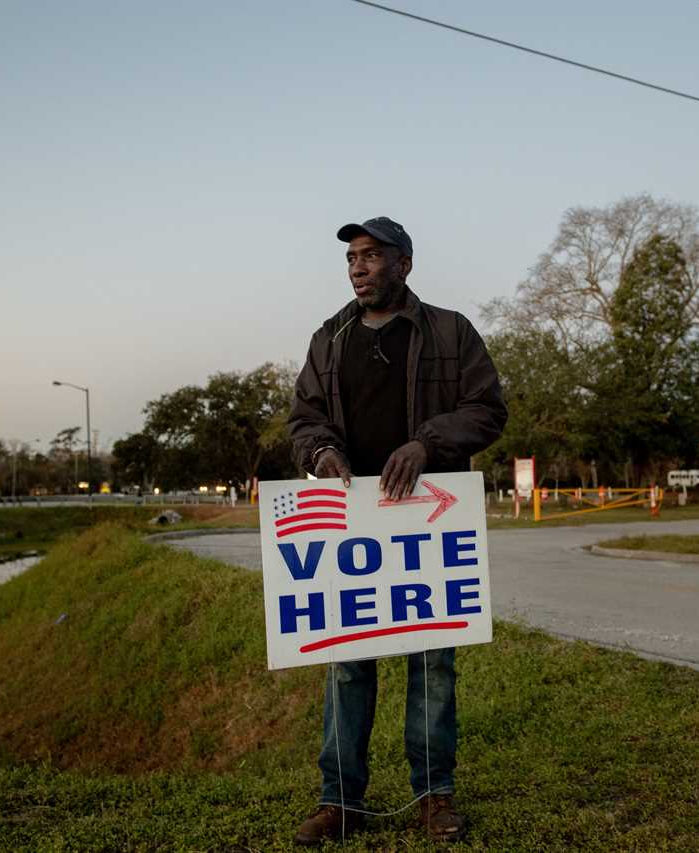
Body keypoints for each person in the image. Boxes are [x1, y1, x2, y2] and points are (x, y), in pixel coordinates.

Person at [287, 216, 507, 845]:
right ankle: (340, 802)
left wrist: (424, 443)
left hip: (428, 518)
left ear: (404, 264)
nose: (358, 267)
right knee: (347, 664)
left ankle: (435, 797)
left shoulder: (450, 331)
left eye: (372, 256)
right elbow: (303, 418)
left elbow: (488, 411)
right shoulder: (329, 338)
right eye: (352, 257)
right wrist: (320, 452)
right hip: (353, 525)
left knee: (432, 662)